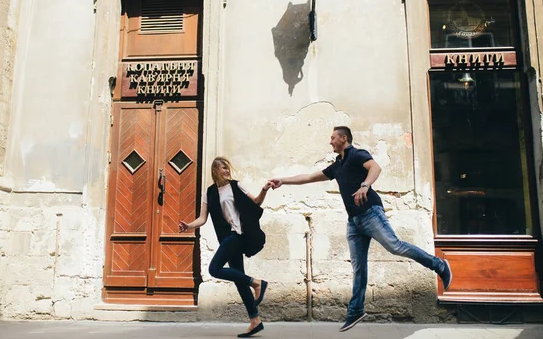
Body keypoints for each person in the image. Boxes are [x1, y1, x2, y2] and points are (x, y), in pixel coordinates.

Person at [269, 126, 452, 332]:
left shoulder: (357, 154)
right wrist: (282, 181)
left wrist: (365, 185)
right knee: (358, 267)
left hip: (371, 213)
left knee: (395, 246)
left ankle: (439, 266)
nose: (330, 142)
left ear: (343, 138)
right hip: (354, 221)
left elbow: (375, 168)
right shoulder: (338, 165)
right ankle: (356, 310)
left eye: (332, 138)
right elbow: (310, 177)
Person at [179, 157, 271, 338]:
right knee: (239, 279)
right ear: (215, 170)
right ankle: (255, 320)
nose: (226, 171)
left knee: (214, 269)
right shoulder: (210, 192)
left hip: (237, 235)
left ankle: (256, 283)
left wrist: (264, 190)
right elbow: (203, 218)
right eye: (222, 168)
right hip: (226, 237)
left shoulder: (236, 185)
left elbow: (256, 202)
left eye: (227, 168)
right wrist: (189, 226)